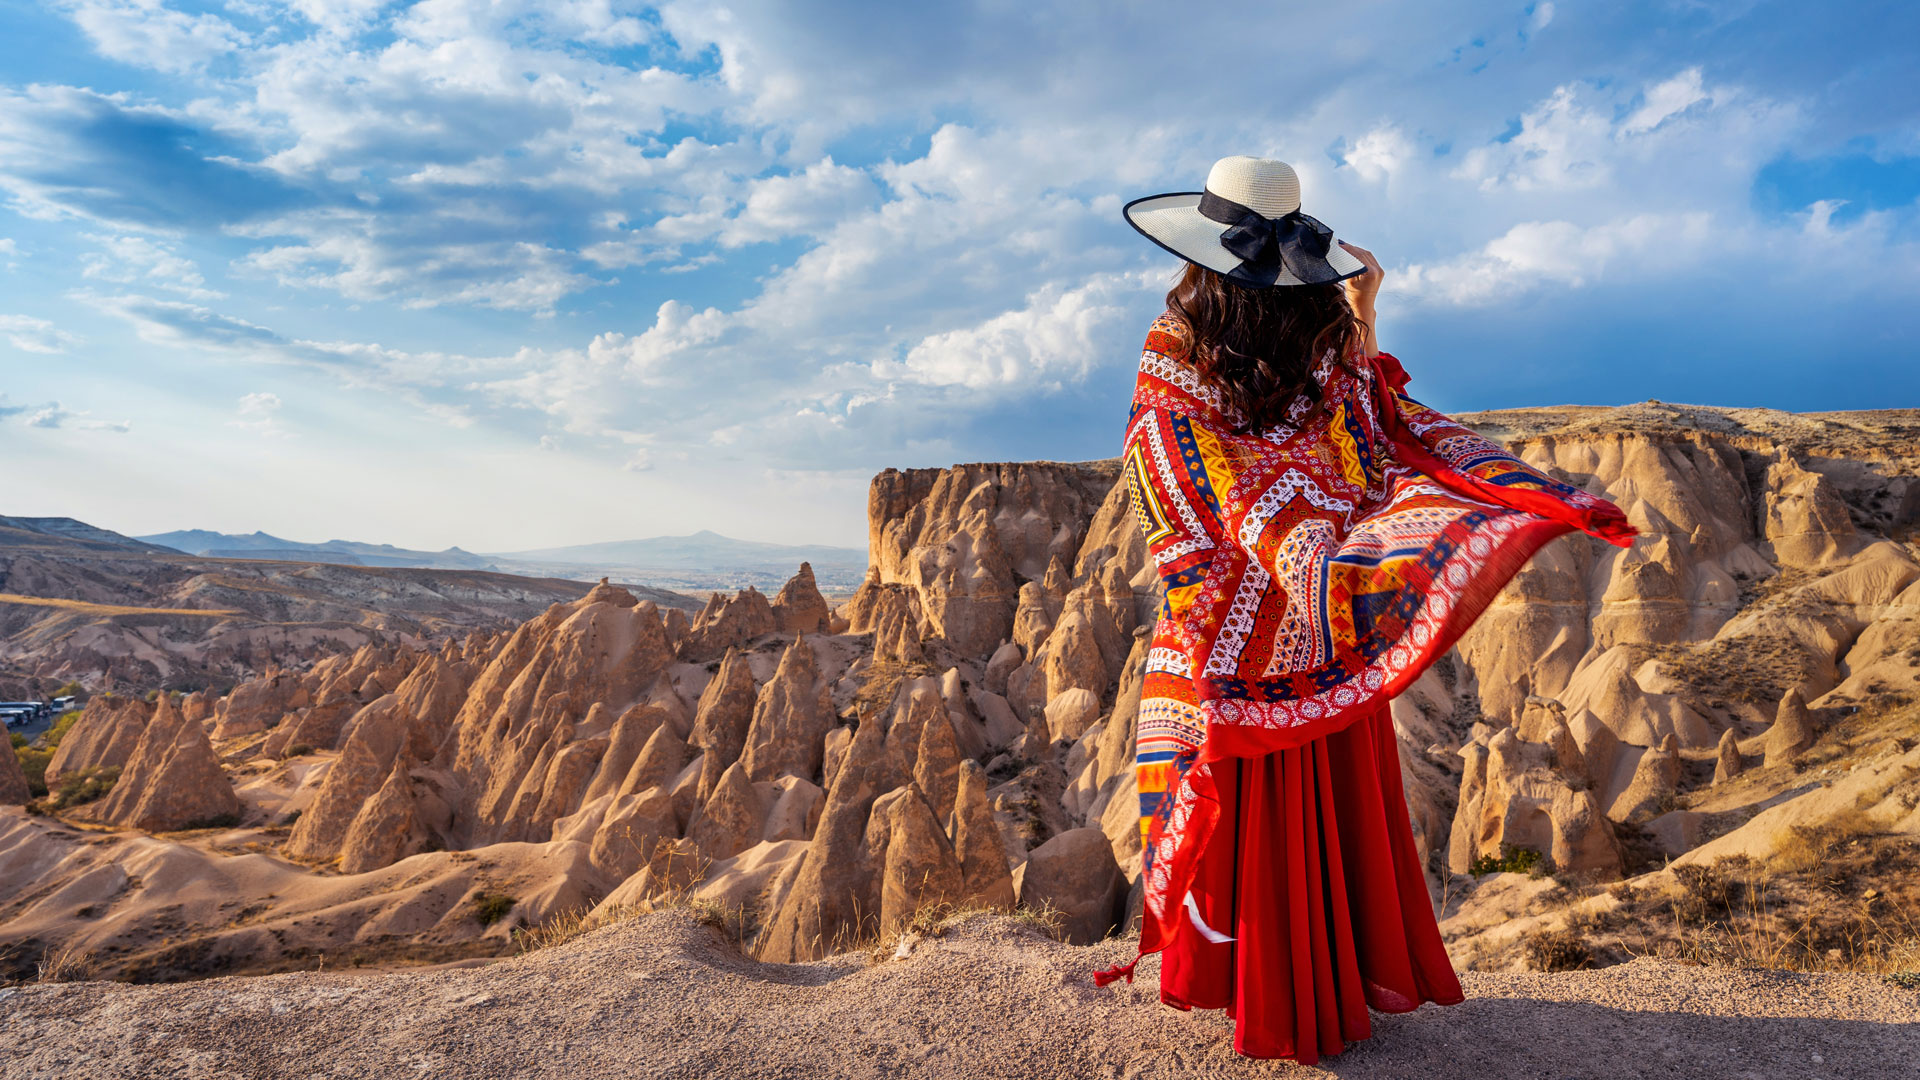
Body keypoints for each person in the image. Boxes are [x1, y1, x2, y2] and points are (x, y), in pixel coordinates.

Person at [1095, 156, 1635, 1063]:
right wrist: (1331, 569)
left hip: (1231, 628)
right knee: (1316, 815)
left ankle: (1263, 995)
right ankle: (1317, 990)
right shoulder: (1324, 349)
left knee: (1247, 814)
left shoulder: (1176, 354)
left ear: (1201, 261)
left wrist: (1296, 561)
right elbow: (1381, 435)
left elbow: (1195, 486)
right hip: (1322, 631)